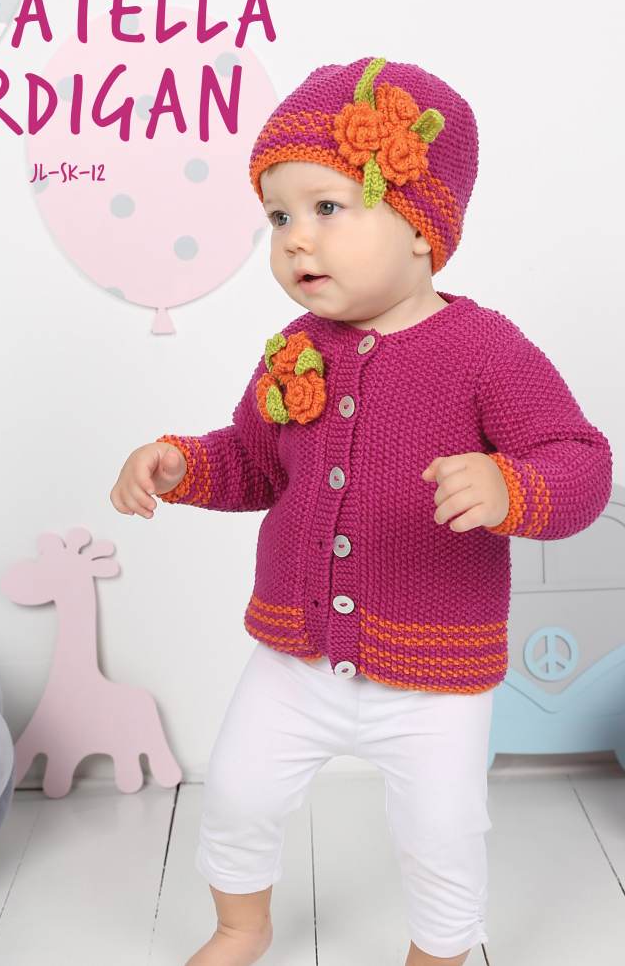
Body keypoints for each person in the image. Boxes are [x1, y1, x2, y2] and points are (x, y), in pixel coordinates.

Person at [110, 56, 613, 966]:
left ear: (421, 226)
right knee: (237, 793)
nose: (296, 240)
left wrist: (513, 487)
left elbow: (580, 461)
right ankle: (241, 923)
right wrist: (184, 464)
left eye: (327, 207)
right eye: (278, 217)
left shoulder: (485, 352)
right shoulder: (292, 350)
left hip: (436, 672)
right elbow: (256, 460)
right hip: (297, 654)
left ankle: (442, 949)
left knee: (442, 828)